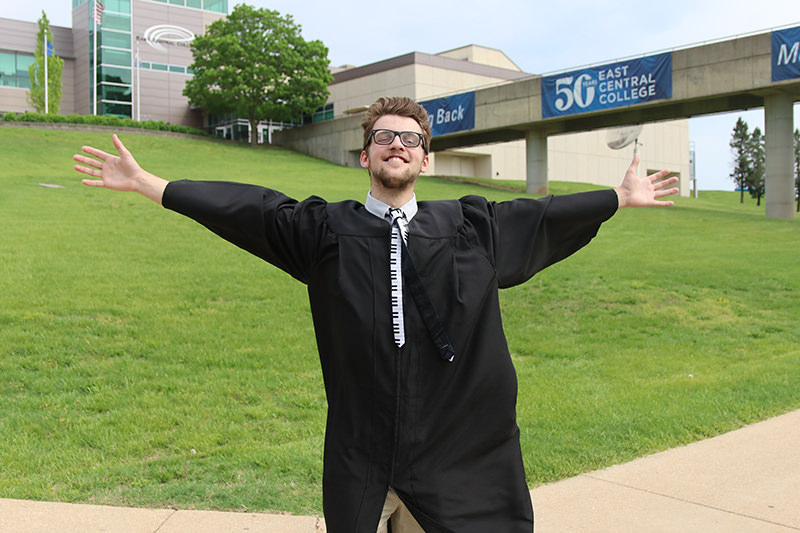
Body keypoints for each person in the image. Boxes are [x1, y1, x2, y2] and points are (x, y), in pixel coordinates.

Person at [73, 96, 678, 533]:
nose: (398, 145)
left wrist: (619, 198)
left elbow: (543, 217)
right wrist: (152, 183)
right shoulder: (324, 230)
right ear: (365, 157)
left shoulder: (470, 228)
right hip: (361, 450)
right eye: (385, 137)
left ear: (426, 159)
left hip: (457, 449)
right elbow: (247, 210)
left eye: (412, 139)